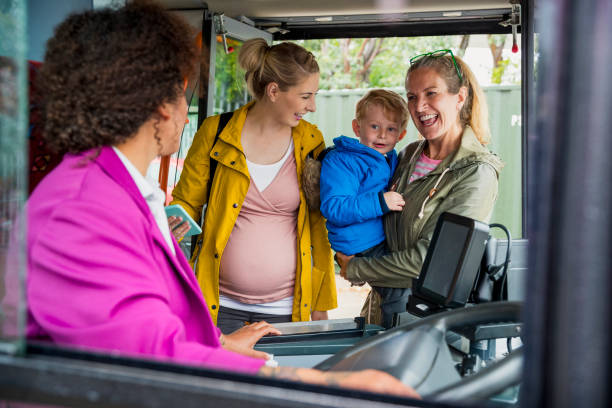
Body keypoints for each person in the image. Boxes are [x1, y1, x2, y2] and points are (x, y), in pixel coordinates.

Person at [23, 1, 420, 398]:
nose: (186, 113)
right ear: (161, 105)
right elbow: (147, 352)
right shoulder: (80, 211)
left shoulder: (120, 190)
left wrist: (220, 342)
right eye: (183, 95)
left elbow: (157, 319)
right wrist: (327, 383)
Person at [170, 38, 336, 334]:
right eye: (305, 96)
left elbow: (317, 225)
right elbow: (187, 203)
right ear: (274, 91)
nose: (311, 106)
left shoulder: (311, 141)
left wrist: (320, 303)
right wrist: (172, 222)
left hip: (286, 308)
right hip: (219, 303)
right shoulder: (215, 132)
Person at [336, 50, 504, 328]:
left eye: (431, 93)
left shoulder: (476, 172)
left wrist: (355, 267)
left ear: (460, 97)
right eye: (412, 97)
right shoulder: (407, 155)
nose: (419, 106)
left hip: (427, 320)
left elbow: (432, 261)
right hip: (382, 307)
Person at [319, 89, 408, 259]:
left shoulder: (390, 158)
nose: (382, 135)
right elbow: (334, 207)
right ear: (357, 127)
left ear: (401, 135)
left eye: (391, 129)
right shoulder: (343, 161)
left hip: (380, 237)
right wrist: (379, 202)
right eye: (374, 126)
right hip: (361, 243)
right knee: (401, 283)